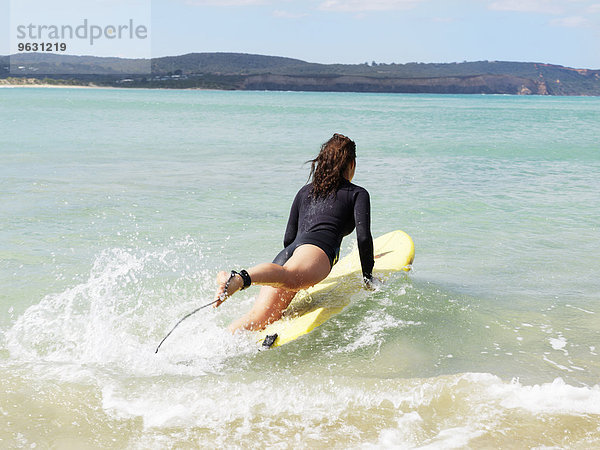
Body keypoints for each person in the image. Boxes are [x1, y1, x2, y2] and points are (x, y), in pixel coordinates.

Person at [214, 133, 375, 333]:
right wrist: (368, 277)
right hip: (315, 252)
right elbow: (363, 238)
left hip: (290, 253)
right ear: (351, 163)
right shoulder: (357, 193)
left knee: (259, 318)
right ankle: (239, 278)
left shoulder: (305, 191)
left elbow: (289, 239)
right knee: (289, 277)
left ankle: (212, 344)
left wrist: (298, 274)